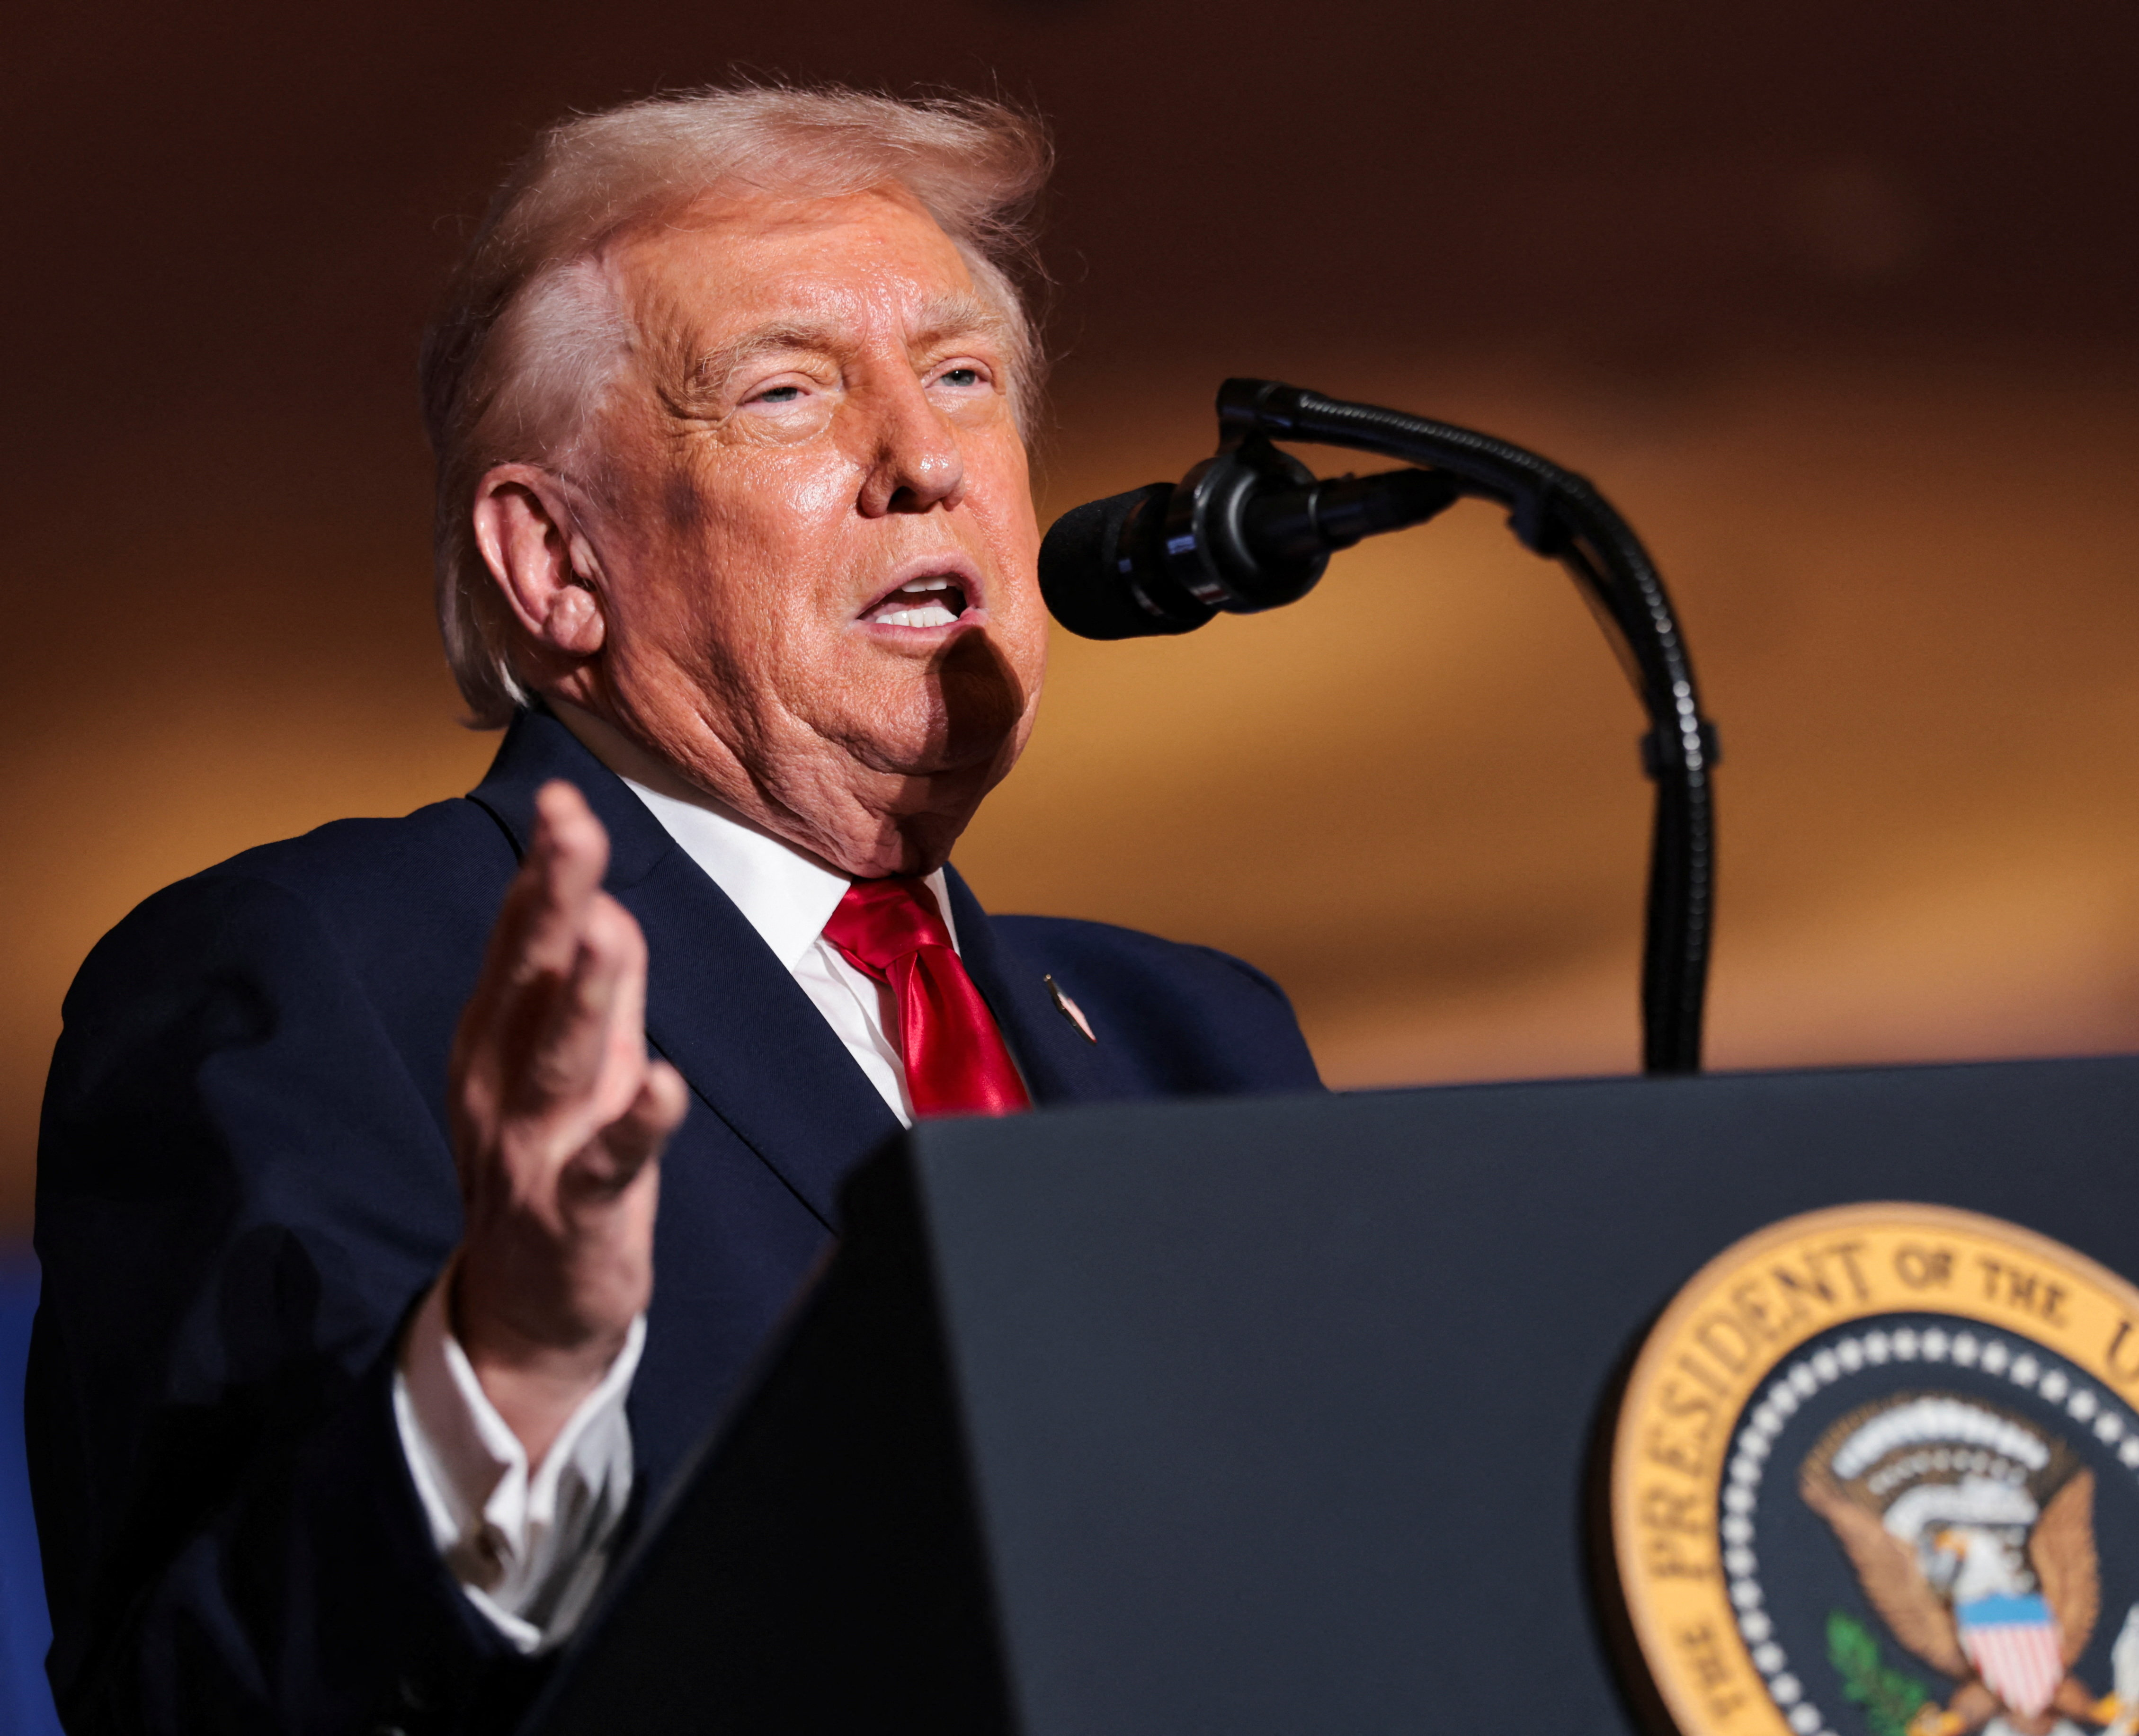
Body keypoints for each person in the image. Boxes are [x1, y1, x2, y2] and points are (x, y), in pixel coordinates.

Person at [28, 85, 1320, 1735]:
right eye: (787, 391)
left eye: (962, 379)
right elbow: (196, 1701)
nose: (924, 461)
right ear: (557, 563)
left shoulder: (1197, 1036)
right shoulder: (329, 969)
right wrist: (508, 1375)